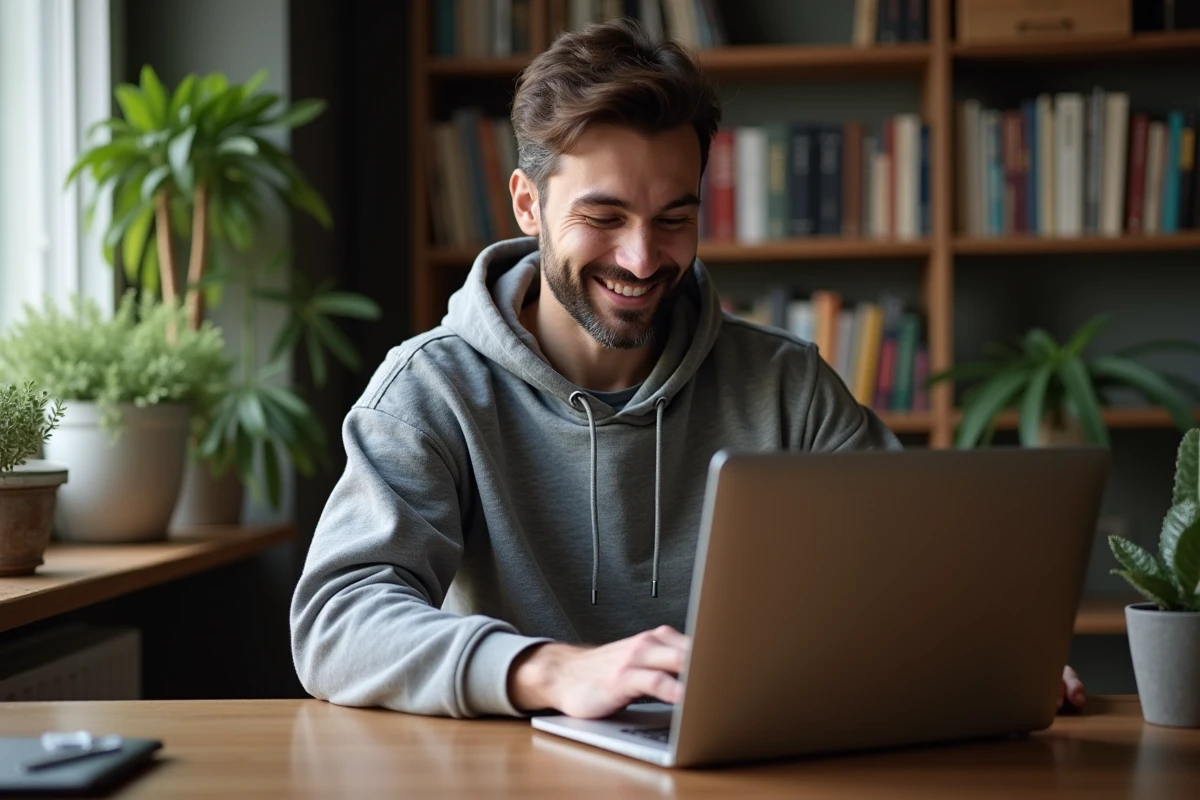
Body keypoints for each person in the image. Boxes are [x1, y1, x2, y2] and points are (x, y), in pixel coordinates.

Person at [290, 18, 1086, 719]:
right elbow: (338, 620)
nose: (641, 259)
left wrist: (984, 658)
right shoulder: (432, 390)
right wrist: (551, 669)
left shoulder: (786, 386)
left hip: (746, 770)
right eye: (603, 217)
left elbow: (910, 576)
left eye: (675, 218)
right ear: (528, 205)